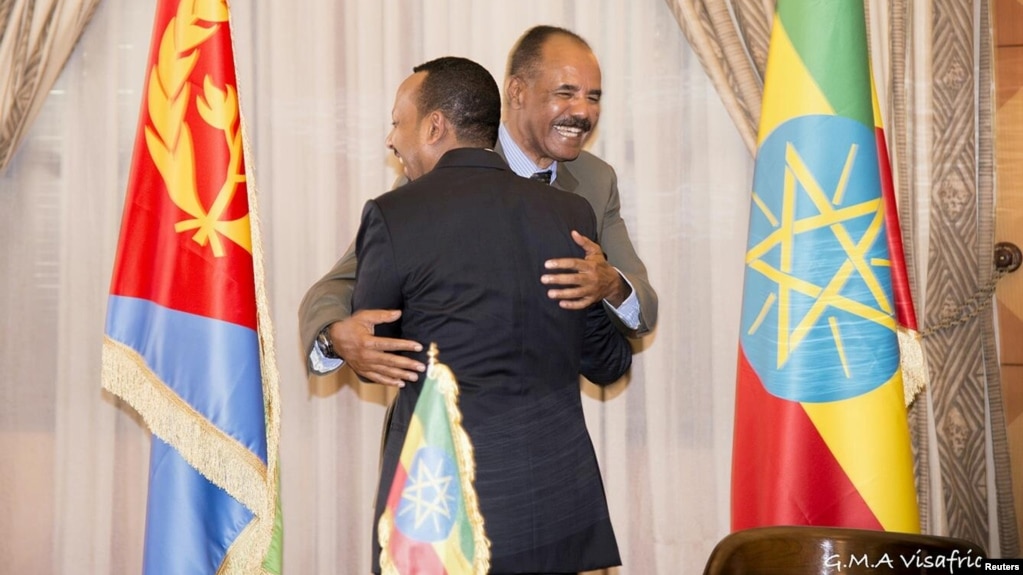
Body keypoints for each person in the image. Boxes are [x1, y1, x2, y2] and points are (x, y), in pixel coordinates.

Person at [357, 56, 630, 573]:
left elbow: (383, 351)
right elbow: (609, 363)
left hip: (439, 511)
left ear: (435, 125)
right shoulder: (569, 215)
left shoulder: (393, 215)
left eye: (398, 122)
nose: (391, 140)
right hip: (555, 509)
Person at [298, 25, 656, 385]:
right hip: (439, 418)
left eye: (593, 98)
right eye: (566, 93)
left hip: (542, 424)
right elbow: (341, 283)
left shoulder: (597, 181)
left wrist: (611, 285)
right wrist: (333, 335)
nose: (583, 112)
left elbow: (644, 308)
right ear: (517, 92)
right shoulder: (441, 164)